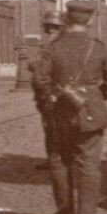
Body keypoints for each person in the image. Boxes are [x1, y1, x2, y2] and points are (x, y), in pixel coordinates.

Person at [29, 0, 107, 214]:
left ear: (67, 20)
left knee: (59, 159)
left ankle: (64, 209)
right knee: (89, 162)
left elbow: (40, 79)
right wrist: (95, 97)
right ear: (89, 21)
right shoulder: (98, 47)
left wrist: (55, 96)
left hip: (60, 113)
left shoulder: (52, 47)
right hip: (90, 112)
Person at [32, 10, 66, 184]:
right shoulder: (62, 41)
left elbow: (41, 69)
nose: (50, 30)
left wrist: (33, 66)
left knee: (51, 127)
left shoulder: (50, 44)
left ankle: (54, 158)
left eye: (51, 27)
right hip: (61, 92)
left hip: (49, 93)